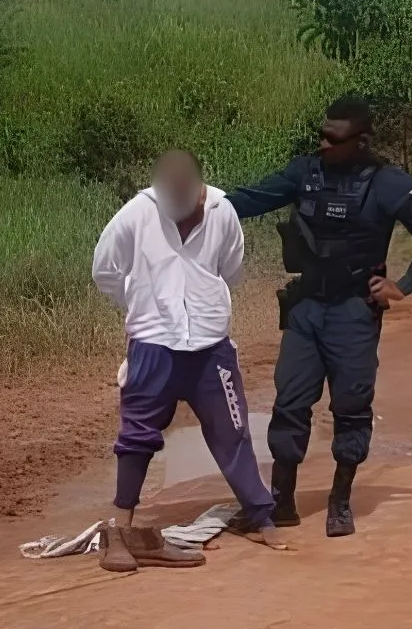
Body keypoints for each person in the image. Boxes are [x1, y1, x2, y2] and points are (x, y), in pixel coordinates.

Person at [224, 94, 412, 537]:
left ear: (361, 142)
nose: (324, 144)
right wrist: (197, 204)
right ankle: (282, 502)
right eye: (321, 135)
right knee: (289, 403)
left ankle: (340, 501)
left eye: (335, 138)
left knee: (350, 405)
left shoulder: (388, 183)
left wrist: (402, 286)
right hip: (306, 308)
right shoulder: (303, 172)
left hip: (353, 311)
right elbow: (248, 200)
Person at [91, 149, 286, 562]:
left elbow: (230, 269)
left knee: (232, 432)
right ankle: (120, 532)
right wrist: (138, 305)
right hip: (153, 345)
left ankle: (261, 517)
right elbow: (104, 269)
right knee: (136, 438)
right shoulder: (136, 214)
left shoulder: (223, 213)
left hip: (210, 347)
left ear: (200, 188)